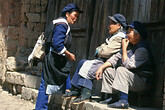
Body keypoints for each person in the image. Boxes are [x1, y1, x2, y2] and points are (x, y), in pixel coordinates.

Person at [64, 14, 127, 103]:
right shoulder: (112, 37)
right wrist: (101, 49)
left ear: (119, 25)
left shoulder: (120, 38)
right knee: (82, 62)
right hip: (103, 60)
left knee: (89, 66)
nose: (109, 26)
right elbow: (102, 48)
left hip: (111, 63)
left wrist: (100, 50)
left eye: (112, 23)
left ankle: (86, 93)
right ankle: (77, 89)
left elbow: (105, 52)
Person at [35, 4, 83, 110]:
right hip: (53, 58)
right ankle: (40, 108)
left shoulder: (58, 23)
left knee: (61, 74)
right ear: (67, 14)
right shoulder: (62, 25)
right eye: (74, 15)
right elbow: (57, 44)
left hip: (53, 57)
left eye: (77, 17)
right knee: (46, 84)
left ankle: (68, 89)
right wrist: (68, 54)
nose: (76, 19)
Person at [96, 21, 153, 109]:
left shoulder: (142, 49)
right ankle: (114, 98)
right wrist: (101, 67)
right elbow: (114, 58)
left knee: (121, 70)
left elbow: (128, 65)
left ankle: (123, 101)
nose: (127, 34)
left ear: (137, 36)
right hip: (133, 78)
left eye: (130, 32)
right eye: (127, 31)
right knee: (108, 70)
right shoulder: (130, 45)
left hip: (143, 81)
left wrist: (124, 48)